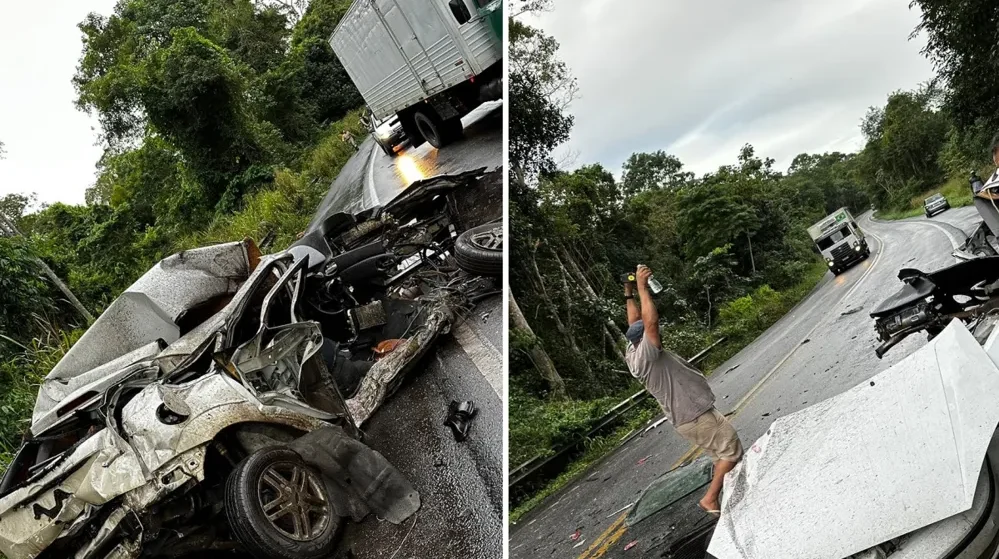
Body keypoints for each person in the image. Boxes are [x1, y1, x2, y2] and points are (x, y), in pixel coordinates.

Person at [624, 264, 743, 516]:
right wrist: (643, 288)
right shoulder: (648, 353)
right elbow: (650, 323)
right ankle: (710, 499)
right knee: (731, 452)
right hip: (695, 414)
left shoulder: (633, 351)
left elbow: (636, 323)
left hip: (687, 417)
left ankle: (735, 493)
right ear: (644, 339)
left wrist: (629, 292)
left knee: (721, 456)